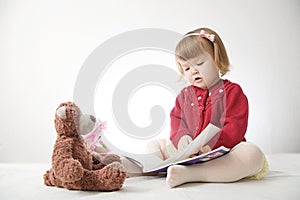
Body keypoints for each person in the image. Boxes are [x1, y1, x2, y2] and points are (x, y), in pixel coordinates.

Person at [147, 27, 268, 188]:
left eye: (199, 63)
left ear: (217, 60)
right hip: (188, 154)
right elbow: (177, 122)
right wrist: (182, 138)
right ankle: (152, 167)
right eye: (187, 68)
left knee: (252, 155)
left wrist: (211, 144)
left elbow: (235, 127)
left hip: (222, 154)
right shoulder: (184, 95)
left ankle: (192, 174)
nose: (194, 71)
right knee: (155, 144)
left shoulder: (232, 92)